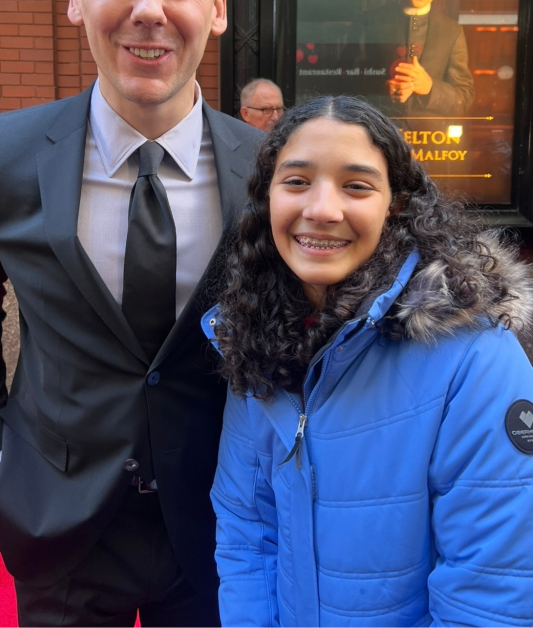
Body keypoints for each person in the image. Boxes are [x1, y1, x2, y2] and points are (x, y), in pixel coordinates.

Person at [0, 0, 262, 627]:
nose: (149, 7)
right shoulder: (1, 153)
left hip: (222, 530)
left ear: (215, 7)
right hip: (61, 527)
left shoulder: (271, 169)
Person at [202, 95, 533, 627]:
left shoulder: (476, 357)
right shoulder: (256, 337)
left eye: (356, 185)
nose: (322, 209)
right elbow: (247, 532)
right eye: (296, 181)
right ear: (267, 197)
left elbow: (490, 591)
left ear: (395, 203)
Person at [347, 0, 474, 117]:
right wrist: (381, 90)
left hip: (433, 139)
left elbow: (464, 99)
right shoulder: (367, 22)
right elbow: (341, 83)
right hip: (376, 134)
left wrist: (429, 87)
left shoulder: (452, 31)